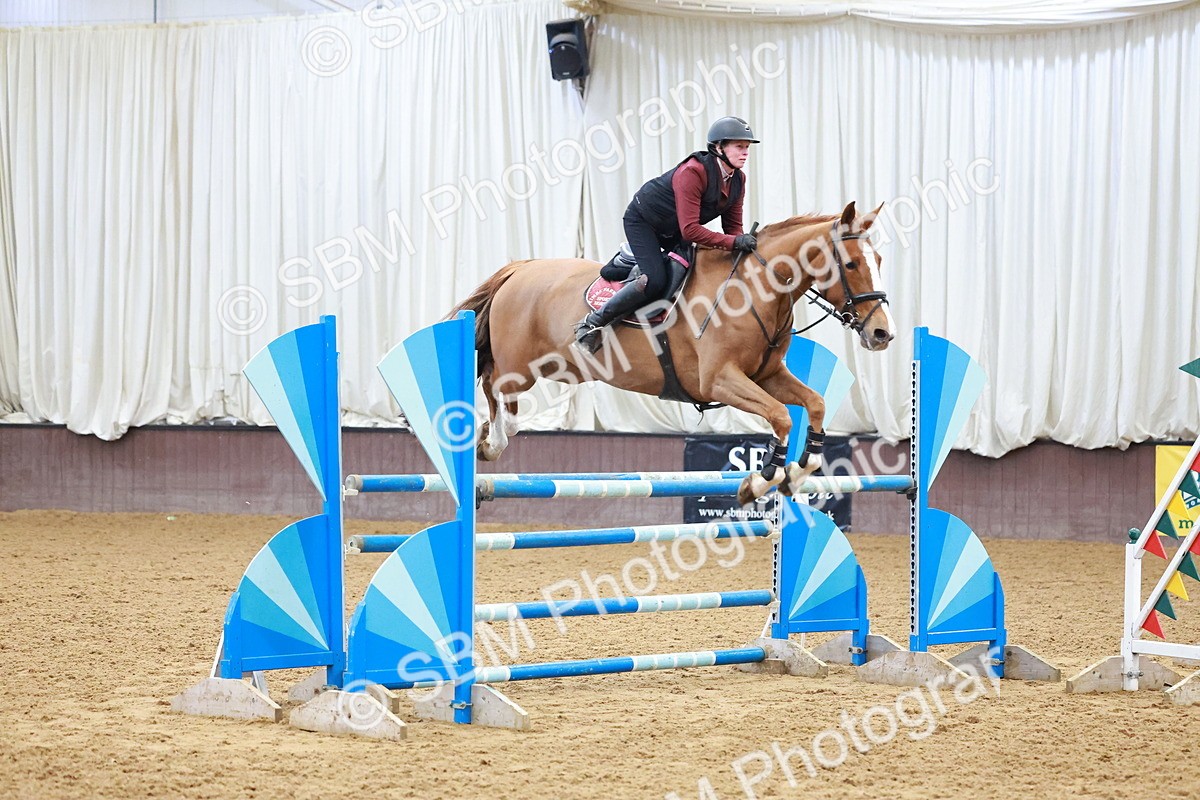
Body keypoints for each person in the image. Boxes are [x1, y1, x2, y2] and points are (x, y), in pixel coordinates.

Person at [573, 116, 761, 353]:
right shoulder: (693, 171)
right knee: (655, 281)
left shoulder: (738, 180)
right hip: (644, 222)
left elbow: (733, 227)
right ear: (718, 147)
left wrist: (741, 246)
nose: (745, 153)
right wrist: (734, 242)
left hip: (674, 228)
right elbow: (690, 230)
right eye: (739, 147)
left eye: (747, 147)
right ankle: (592, 324)